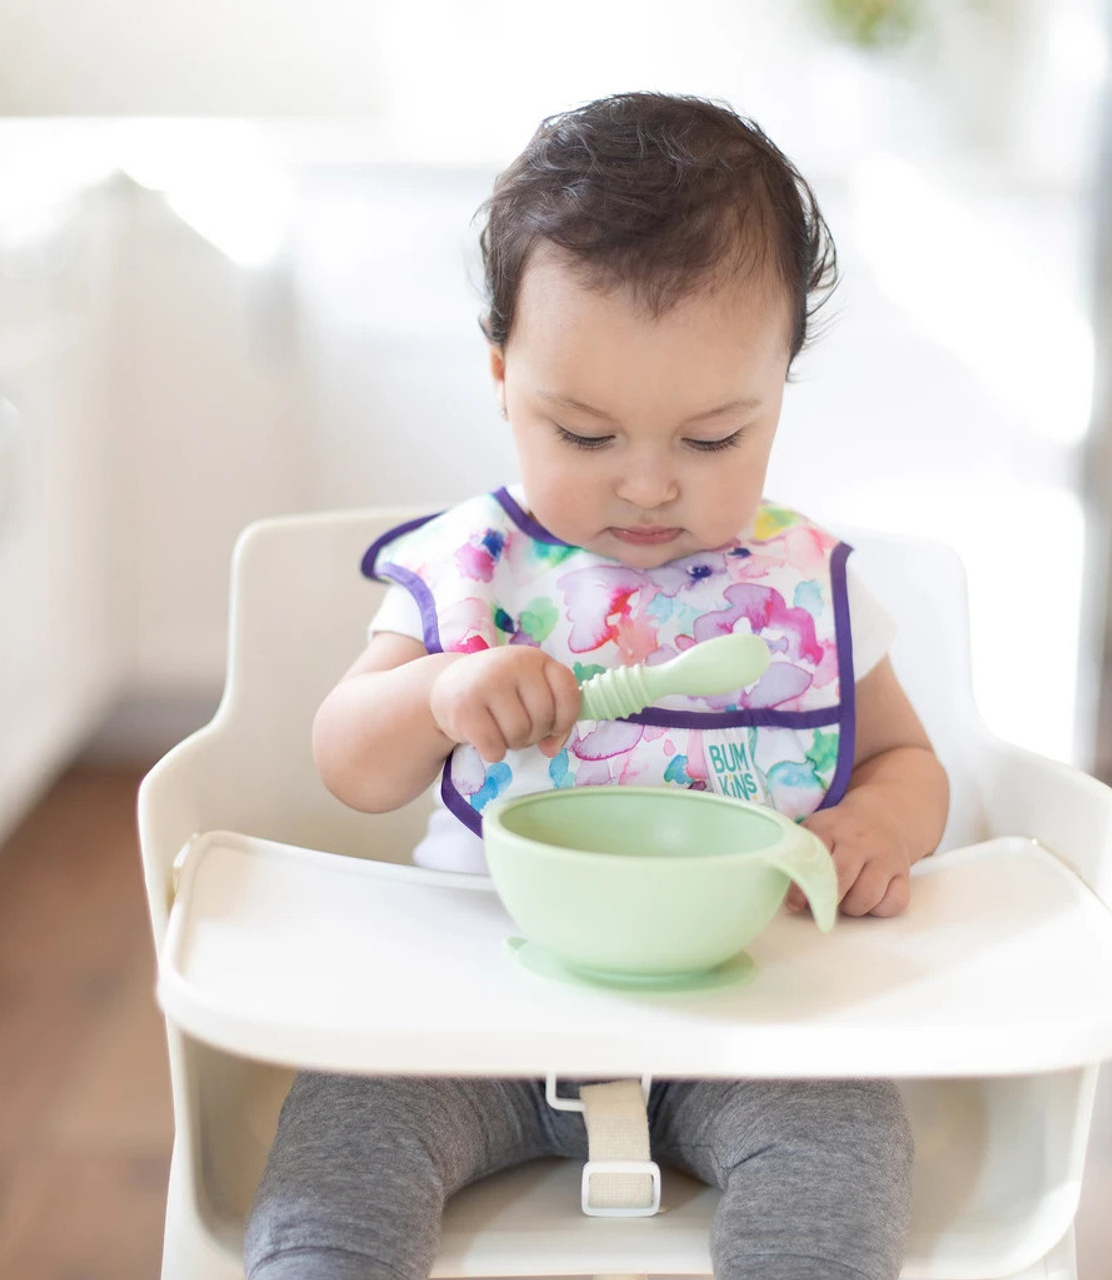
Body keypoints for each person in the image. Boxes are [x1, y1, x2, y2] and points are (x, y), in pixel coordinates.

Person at [245, 91, 949, 1280]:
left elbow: (904, 759)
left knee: (844, 1138)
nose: (646, 486)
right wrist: (435, 695)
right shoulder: (472, 573)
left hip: (743, 1011)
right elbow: (346, 762)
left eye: (713, 438)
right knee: (344, 1136)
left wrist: (880, 822)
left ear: (778, 386)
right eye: (583, 433)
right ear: (501, 376)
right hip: (468, 1001)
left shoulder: (799, 590)